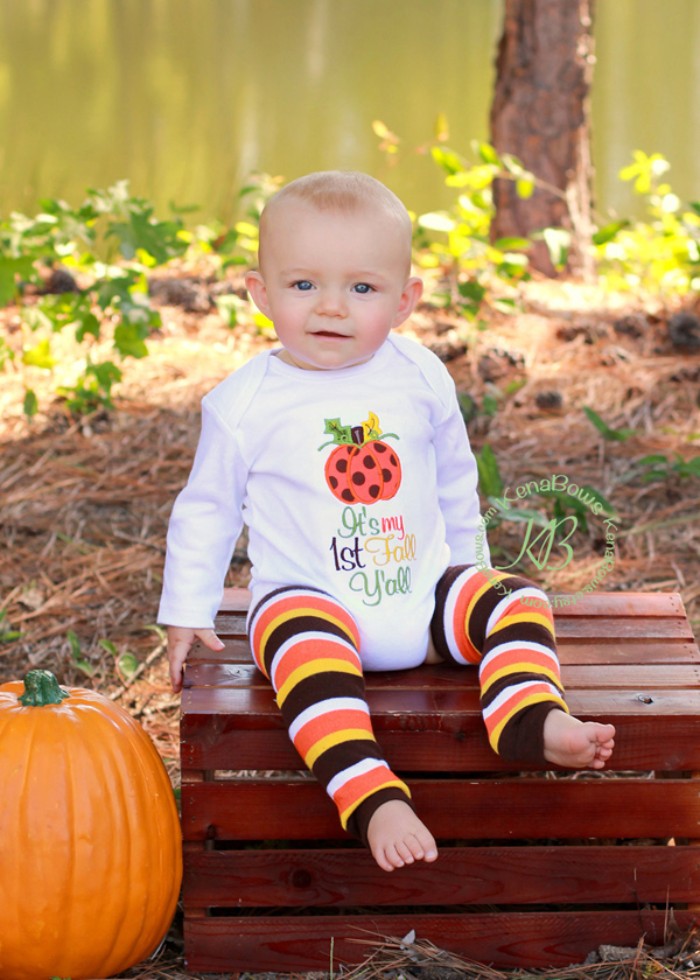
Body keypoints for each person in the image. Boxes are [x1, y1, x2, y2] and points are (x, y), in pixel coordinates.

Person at [159, 170, 615, 873]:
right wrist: (186, 612)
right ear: (260, 292)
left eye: (362, 288)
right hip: (312, 601)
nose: (332, 307)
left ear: (405, 301)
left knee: (518, 600)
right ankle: (371, 793)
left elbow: (456, 480)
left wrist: (470, 567)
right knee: (299, 646)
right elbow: (207, 510)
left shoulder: (421, 375)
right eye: (304, 285)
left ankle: (527, 716)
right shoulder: (245, 401)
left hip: (424, 595)